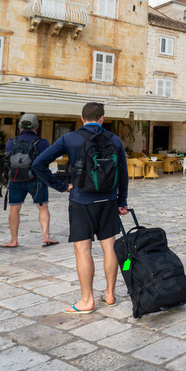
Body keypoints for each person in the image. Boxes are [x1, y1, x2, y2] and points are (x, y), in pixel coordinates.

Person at [33, 102, 129, 314]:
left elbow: (38, 164)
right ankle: (110, 294)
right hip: (108, 201)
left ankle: (87, 300)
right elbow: (123, 173)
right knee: (109, 247)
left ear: (81, 118)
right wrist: (122, 202)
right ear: (102, 118)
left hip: (81, 200)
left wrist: (61, 186)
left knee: (83, 249)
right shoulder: (114, 139)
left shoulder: (69, 138)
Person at [1, 114, 56, 248]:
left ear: (20, 127)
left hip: (15, 179)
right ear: (36, 128)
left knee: (14, 208)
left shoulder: (11, 142)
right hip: (37, 179)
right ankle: (45, 236)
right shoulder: (42, 142)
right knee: (43, 208)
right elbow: (47, 160)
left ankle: (13, 240)